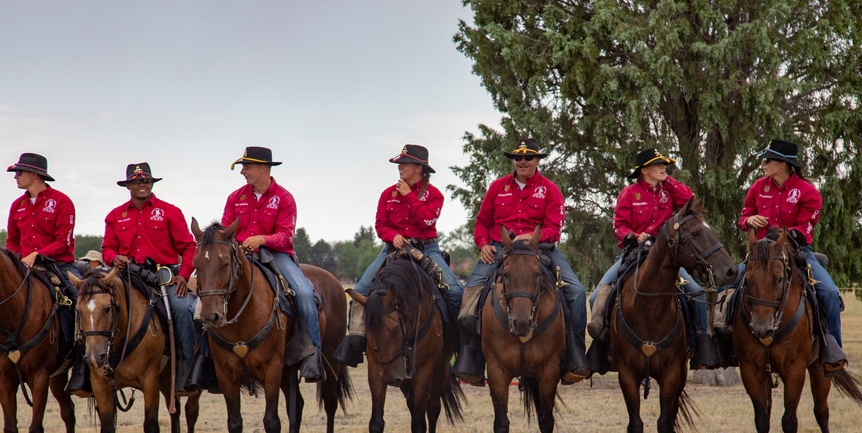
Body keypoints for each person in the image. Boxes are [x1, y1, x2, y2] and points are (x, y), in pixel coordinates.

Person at [451, 138, 591, 386]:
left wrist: (532, 237)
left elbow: (554, 227)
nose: (522, 162)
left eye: (528, 158)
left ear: (537, 161)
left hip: (541, 249)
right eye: (518, 158)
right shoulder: (497, 187)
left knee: (577, 292)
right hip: (498, 249)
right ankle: (469, 357)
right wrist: (483, 244)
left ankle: (574, 355)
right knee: (470, 293)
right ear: (513, 161)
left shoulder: (550, 189)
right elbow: (482, 222)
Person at [586, 148, 719, 367]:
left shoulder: (670, 191)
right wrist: (634, 236)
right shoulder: (629, 193)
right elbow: (618, 226)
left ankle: (699, 346)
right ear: (644, 170)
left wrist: (669, 181)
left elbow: (690, 200)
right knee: (595, 298)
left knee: (695, 291)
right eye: (658, 165)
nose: (663, 168)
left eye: (664, 165)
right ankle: (604, 350)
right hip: (634, 253)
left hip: (667, 255)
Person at [334, 144, 463, 367]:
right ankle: (355, 342)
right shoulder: (387, 194)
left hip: (427, 249)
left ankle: (461, 346)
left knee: (455, 292)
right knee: (361, 290)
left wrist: (409, 197)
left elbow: (427, 221)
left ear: (420, 168)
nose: (400, 167)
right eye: (400, 163)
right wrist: (392, 235)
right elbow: (380, 225)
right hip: (391, 250)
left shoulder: (434, 195)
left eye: (405, 163)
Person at [0, 153, 77, 394]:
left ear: (34, 175)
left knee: (79, 302)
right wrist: (14, 261)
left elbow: (63, 241)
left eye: (19, 173)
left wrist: (36, 255)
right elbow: (14, 240)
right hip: (23, 267)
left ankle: (79, 361)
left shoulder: (62, 202)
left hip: (58, 265)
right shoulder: (17, 206)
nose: (15, 177)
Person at [736, 139, 847, 372]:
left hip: (796, 251)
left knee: (828, 291)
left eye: (768, 160)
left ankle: (832, 349)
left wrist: (782, 234)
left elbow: (806, 227)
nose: (763, 163)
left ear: (783, 164)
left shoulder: (808, 192)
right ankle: (725, 341)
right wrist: (749, 221)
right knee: (730, 283)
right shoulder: (758, 187)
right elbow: (744, 215)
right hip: (761, 253)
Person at [87, 162, 198, 393]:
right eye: (137, 181)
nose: (143, 184)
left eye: (146, 180)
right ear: (128, 185)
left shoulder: (170, 211)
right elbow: (106, 248)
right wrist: (114, 256)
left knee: (181, 309)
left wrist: (184, 276)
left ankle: (187, 366)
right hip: (126, 277)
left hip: (162, 279)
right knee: (92, 306)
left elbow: (189, 248)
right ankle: (88, 367)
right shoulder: (115, 216)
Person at [220, 146, 324, 382]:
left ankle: (312, 356)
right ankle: (206, 358)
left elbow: (286, 235)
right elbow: (225, 231)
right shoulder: (235, 197)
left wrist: (262, 239)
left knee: (305, 294)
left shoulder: (284, 198)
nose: (242, 172)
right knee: (207, 296)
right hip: (240, 257)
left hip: (276, 255)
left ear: (262, 168)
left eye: (246, 167)